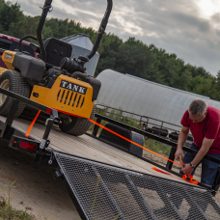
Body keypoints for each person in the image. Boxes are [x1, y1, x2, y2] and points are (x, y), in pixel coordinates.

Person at [175, 99, 220, 186]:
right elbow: (184, 131)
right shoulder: (188, 113)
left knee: (206, 183)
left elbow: (205, 148)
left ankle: (203, 198)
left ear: (205, 114)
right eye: (191, 119)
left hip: (215, 151)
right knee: (183, 174)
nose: (194, 122)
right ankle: (175, 198)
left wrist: (192, 165)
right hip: (196, 145)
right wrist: (179, 148)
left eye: (196, 120)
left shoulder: (214, 118)